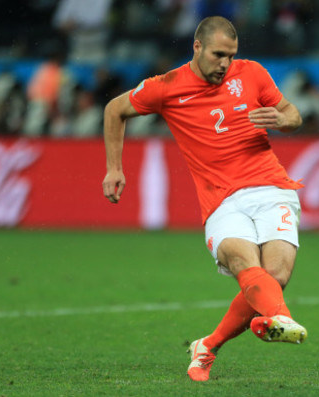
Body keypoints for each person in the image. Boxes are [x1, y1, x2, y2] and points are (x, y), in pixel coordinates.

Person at [101, 16, 307, 382]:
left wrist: (282, 119)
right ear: (196, 48)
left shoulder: (253, 73)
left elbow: (293, 114)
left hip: (272, 187)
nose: (225, 64)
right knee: (245, 262)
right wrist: (114, 168)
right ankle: (281, 318)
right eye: (218, 55)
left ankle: (207, 346)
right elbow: (114, 109)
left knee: (275, 275)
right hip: (221, 202)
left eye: (230, 56)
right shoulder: (168, 86)